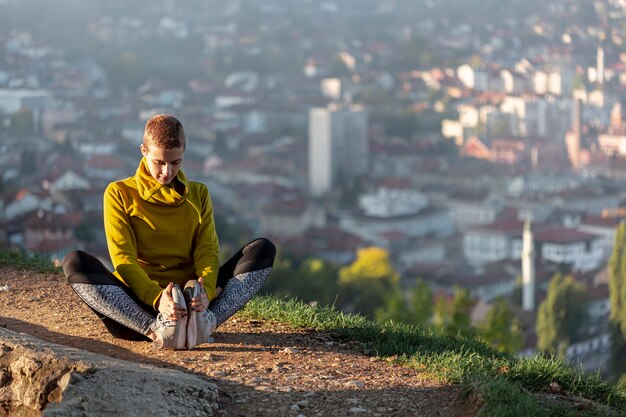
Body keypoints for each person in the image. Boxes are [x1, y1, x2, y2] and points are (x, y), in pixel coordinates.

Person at [62, 114, 276, 349]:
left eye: (176, 162)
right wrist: (157, 299)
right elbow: (123, 259)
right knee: (74, 262)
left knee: (262, 250)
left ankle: (207, 321)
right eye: (159, 162)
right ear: (143, 150)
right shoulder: (118, 193)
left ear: (183, 154)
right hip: (140, 308)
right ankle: (156, 330)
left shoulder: (199, 194)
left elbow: (207, 250)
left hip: (194, 306)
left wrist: (204, 292)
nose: (167, 171)